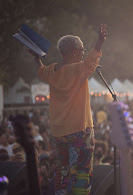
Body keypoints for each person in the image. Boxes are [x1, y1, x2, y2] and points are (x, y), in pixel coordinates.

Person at [30, 24, 107, 194]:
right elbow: (92, 60)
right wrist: (100, 41)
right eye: (81, 49)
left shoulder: (52, 71)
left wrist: (37, 59)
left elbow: (40, 70)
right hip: (80, 130)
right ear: (73, 52)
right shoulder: (78, 69)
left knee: (63, 171)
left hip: (59, 132)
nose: (83, 52)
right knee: (81, 172)